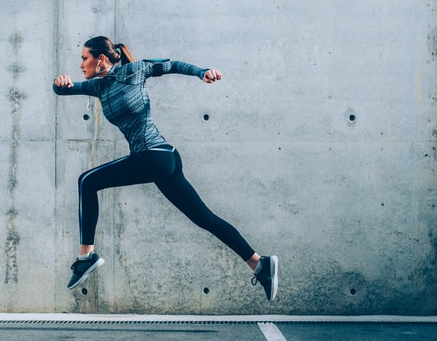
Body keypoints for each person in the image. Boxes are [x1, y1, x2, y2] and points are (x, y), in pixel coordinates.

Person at [52, 36, 278, 301]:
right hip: (161, 160)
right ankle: (259, 264)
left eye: (83, 58)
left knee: (87, 181)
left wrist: (202, 72)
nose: (80, 64)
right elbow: (64, 90)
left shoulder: (134, 71)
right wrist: (59, 84)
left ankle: (85, 257)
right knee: (204, 218)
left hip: (155, 155)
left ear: (100, 59)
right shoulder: (99, 87)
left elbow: (170, 65)